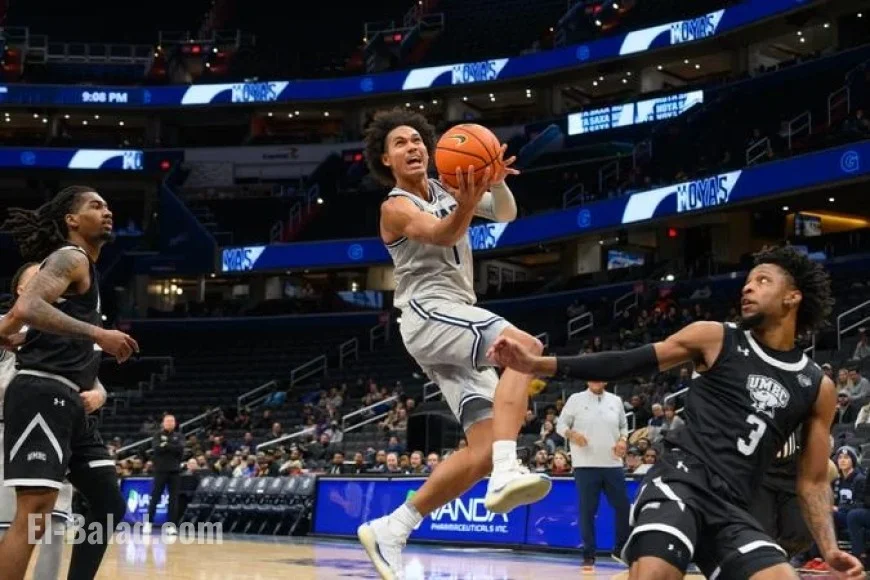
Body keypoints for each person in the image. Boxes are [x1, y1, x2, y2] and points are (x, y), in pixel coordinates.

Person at [488, 246, 864, 579]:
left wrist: (829, 548)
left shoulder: (817, 385)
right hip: (681, 481)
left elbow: (813, 481)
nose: (747, 288)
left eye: (762, 281)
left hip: (735, 504)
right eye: (747, 281)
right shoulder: (716, 337)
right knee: (656, 572)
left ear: (792, 297)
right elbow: (627, 362)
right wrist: (538, 364)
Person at [357, 109, 549, 580]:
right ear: (387, 159)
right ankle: (508, 468)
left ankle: (393, 527)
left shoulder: (446, 188)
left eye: (418, 140)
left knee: (481, 448)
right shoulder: (395, 206)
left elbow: (505, 213)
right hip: (427, 311)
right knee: (523, 347)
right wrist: (465, 204)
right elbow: (443, 232)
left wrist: (494, 180)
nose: (413, 147)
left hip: (455, 316)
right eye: (400, 143)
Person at [0, 186, 139, 580]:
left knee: (107, 503)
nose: (107, 211)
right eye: (96, 206)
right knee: (35, 509)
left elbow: (14, 320)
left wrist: (13, 334)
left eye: (109, 205)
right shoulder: (71, 257)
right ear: (71, 220)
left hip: (72, 403)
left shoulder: (84, 270)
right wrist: (100, 334)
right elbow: (26, 307)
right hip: (42, 390)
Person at [0, 262, 78, 580]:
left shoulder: (69, 330)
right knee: (8, 529)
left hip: (56, 431)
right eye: (39, 276)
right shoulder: (4, 325)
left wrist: (98, 393)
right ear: (21, 289)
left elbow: (91, 377)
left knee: (54, 530)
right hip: (8, 429)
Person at [556, 380, 630, 570]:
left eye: (600, 378)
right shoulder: (575, 399)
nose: (596, 381)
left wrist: (623, 440)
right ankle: (589, 554)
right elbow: (560, 425)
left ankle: (621, 549)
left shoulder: (616, 400)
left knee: (623, 508)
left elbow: (624, 426)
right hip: (585, 465)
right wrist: (572, 435)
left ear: (605, 381)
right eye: (593, 377)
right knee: (588, 512)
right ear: (588, 380)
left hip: (613, 464)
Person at [146, 414, 184, 534]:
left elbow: (180, 450)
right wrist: (171, 446)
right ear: (163, 423)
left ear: (175, 423)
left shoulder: (180, 436)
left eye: (172, 421)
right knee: (155, 497)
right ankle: (148, 523)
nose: (170, 423)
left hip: (175, 471)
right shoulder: (157, 435)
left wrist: (166, 445)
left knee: (173, 499)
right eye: (167, 421)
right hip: (160, 471)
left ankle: (171, 525)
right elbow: (157, 449)